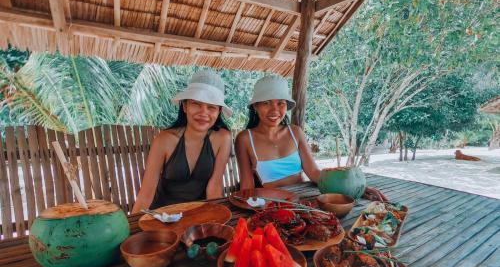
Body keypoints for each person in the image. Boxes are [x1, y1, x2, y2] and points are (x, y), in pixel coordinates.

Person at [235, 74, 387, 201]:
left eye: (280, 103)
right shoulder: (245, 139)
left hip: (303, 198)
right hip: (272, 202)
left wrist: (355, 188)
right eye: (266, 103)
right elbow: (247, 188)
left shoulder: (295, 132)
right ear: (255, 106)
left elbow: (314, 173)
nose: (274, 110)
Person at [132, 70, 232, 213]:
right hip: (163, 216)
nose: (203, 113)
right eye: (196, 104)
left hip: (198, 215)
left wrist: (217, 222)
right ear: (184, 106)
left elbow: (214, 187)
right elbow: (146, 194)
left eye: (211, 107)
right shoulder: (164, 140)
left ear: (219, 111)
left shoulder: (223, 138)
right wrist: (134, 229)